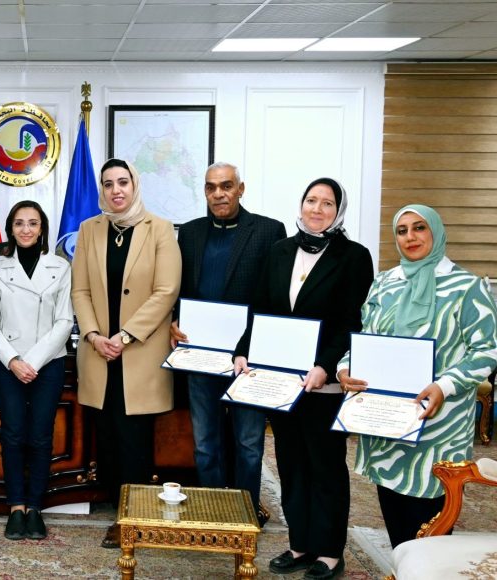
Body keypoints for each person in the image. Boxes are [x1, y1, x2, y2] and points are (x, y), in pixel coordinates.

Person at [233, 177, 373, 580]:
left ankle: (329, 551)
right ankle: (300, 544)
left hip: (323, 382)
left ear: (338, 211)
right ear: (301, 205)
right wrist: (242, 349)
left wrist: (325, 366)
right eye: (311, 200)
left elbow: (351, 322)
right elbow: (260, 308)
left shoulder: (354, 256)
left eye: (327, 203)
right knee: (291, 463)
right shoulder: (279, 250)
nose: (317, 209)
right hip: (280, 382)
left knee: (325, 465)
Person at [338, 205, 497, 549]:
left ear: (435, 232)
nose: (410, 237)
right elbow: (368, 336)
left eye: (419, 228)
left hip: (439, 424)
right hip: (387, 422)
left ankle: (427, 570)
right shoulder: (385, 283)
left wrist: (444, 385)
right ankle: (404, 568)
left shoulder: (466, 286)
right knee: (397, 520)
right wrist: (345, 366)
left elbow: (486, 350)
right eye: (402, 230)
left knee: (431, 530)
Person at [70, 158, 181, 549]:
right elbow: (80, 290)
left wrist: (125, 336)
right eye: (108, 184)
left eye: (123, 182)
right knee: (108, 437)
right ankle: (121, 509)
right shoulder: (90, 229)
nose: (116, 190)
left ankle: (133, 519)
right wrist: (94, 335)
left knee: (135, 439)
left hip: (139, 355)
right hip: (99, 354)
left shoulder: (160, 229)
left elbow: (166, 291)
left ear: (135, 185)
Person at [170, 163, 285, 522]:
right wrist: (175, 319)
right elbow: (181, 287)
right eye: (211, 187)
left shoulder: (268, 231)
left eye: (226, 186)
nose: (218, 194)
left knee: (249, 444)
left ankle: (245, 513)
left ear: (240, 189)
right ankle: (210, 508)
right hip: (199, 355)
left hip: (248, 358)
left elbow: (275, 295)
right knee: (205, 444)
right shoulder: (190, 233)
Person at [0, 200, 72, 540]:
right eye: (19, 223)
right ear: (11, 229)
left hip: (48, 363)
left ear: (42, 227)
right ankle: (16, 508)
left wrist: (32, 361)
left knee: (41, 436)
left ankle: (35, 508)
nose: (26, 229)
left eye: (33, 223)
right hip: (8, 364)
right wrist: (14, 361)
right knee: (14, 435)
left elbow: (65, 321)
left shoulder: (60, 267)